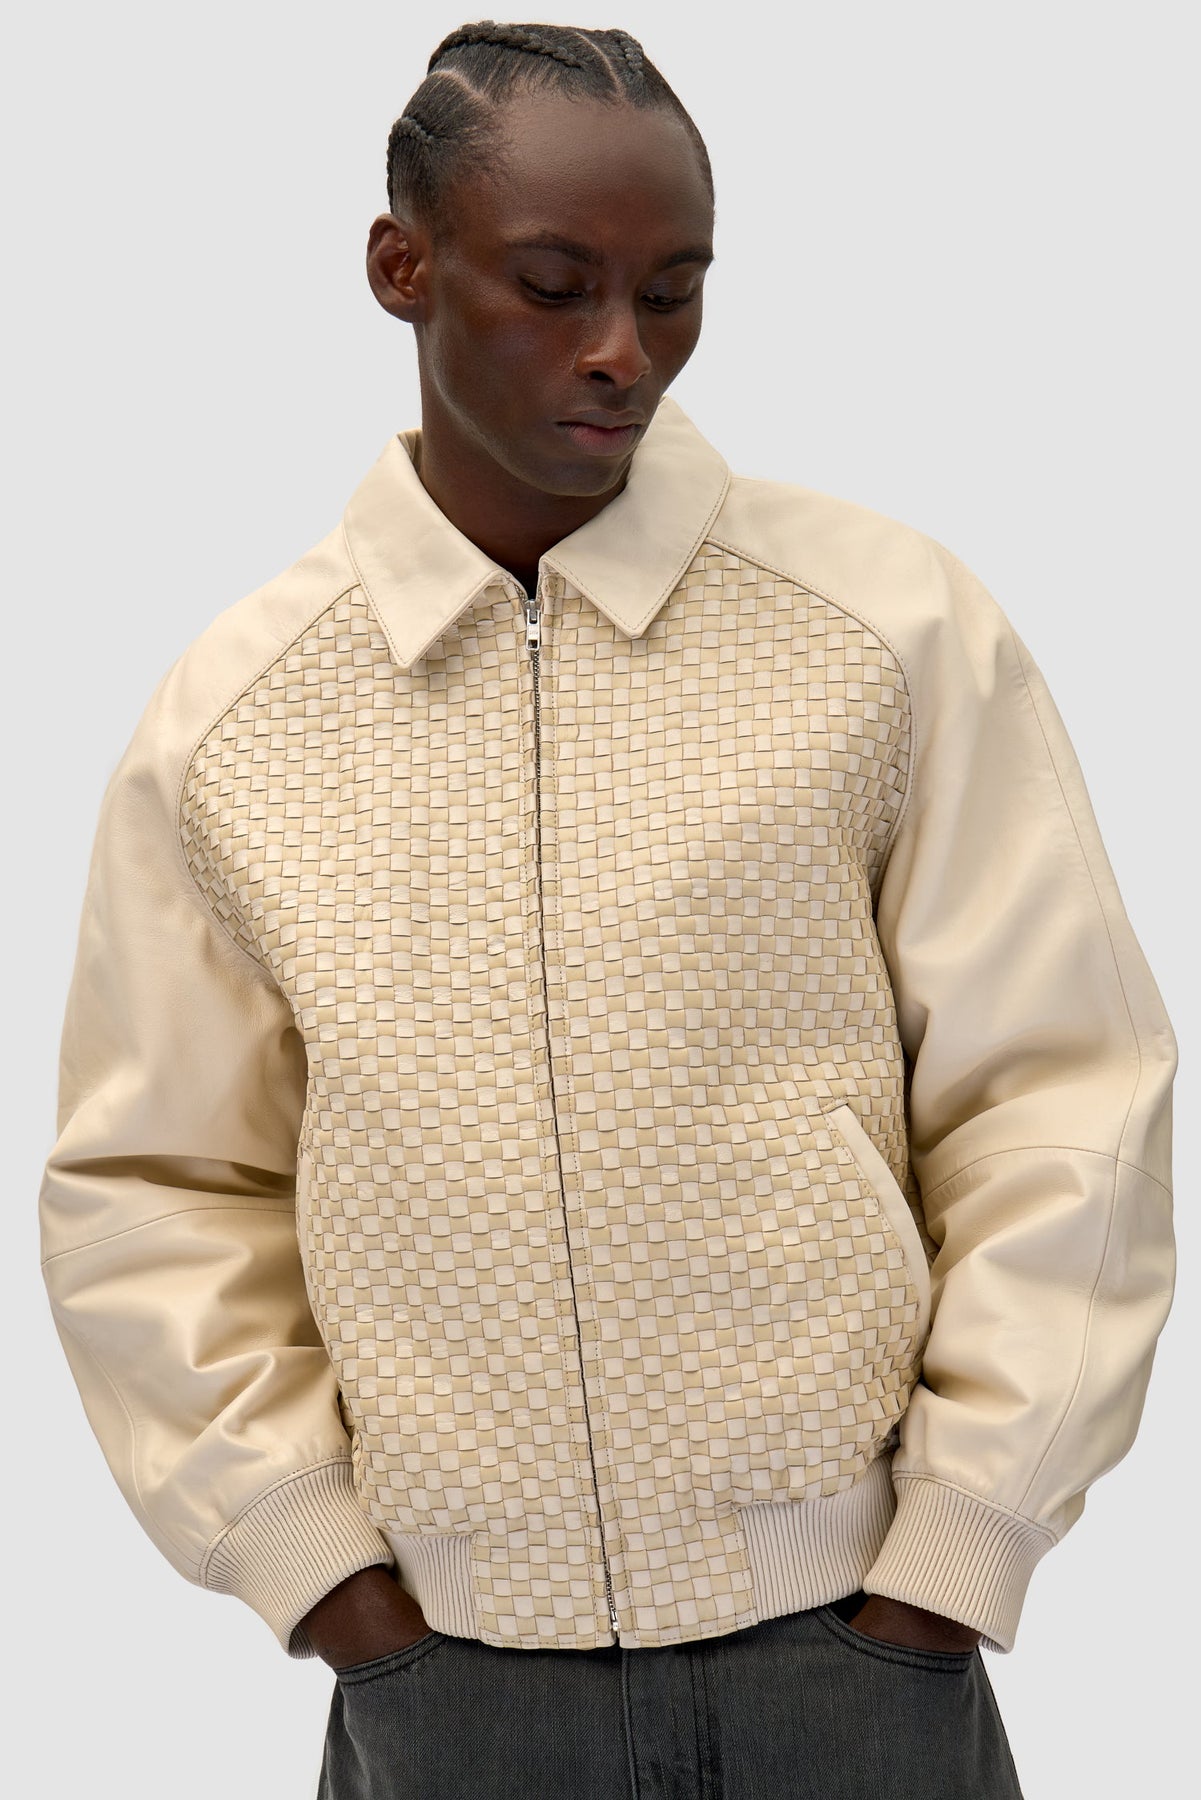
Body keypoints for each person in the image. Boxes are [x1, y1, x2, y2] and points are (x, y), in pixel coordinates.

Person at [38, 19, 1177, 1800]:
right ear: (401, 267)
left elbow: (1059, 1095)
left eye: (672, 291)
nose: (620, 352)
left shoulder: (882, 632)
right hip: (448, 1681)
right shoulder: (240, 719)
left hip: (854, 1661)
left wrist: (955, 1552)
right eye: (555, 286)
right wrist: (319, 1570)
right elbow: (158, 1182)